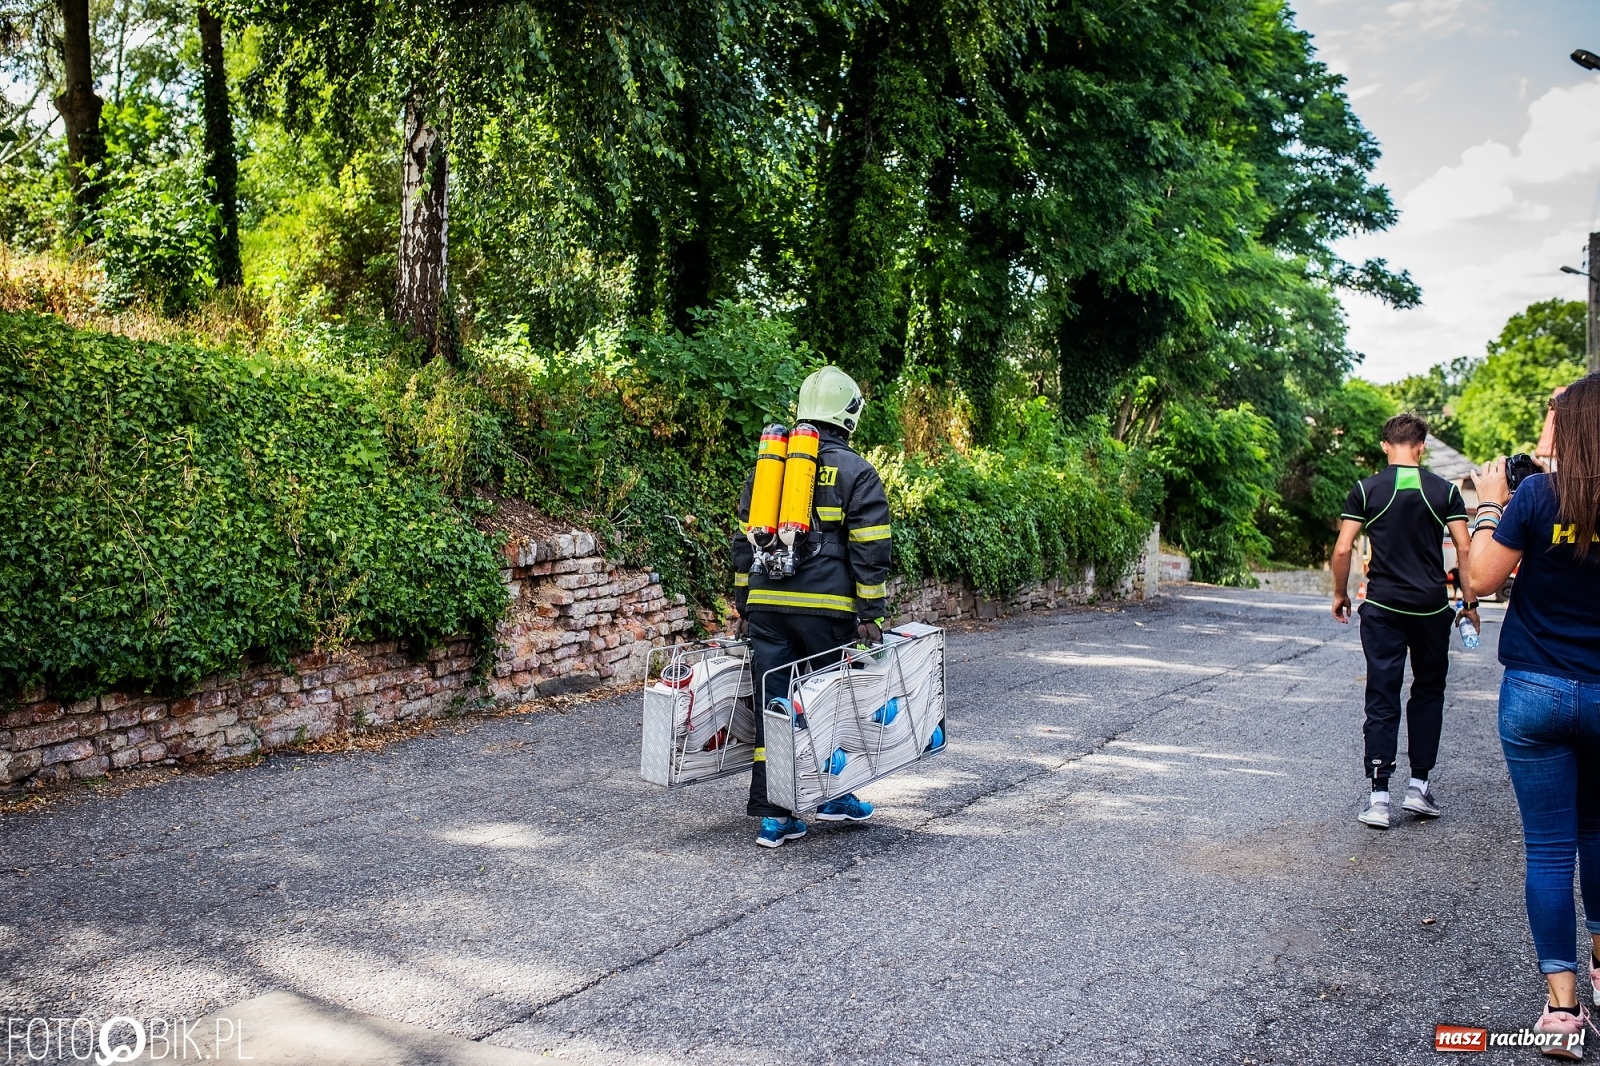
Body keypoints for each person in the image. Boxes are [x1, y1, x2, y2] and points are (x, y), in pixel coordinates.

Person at [1469, 374, 1600, 1053]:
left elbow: (1478, 581)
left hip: (1536, 694)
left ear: (1573, 427)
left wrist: (1491, 507)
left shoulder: (1536, 496)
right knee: (1599, 833)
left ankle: (1561, 1014)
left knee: (1550, 848)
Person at [730, 366, 893, 849]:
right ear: (848, 413)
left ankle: (775, 816)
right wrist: (870, 614)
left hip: (766, 607)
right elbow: (870, 545)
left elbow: (744, 545)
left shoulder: (769, 469)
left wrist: (746, 604)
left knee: (774, 707)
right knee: (825, 703)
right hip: (824, 608)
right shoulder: (856, 471)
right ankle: (830, 797)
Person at [1332, 412, 1477, 829]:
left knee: (1383, 692)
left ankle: (1378, 798)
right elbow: (1465, 550)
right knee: (1428, 692)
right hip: (1431, 609)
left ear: (1384, 446)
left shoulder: (1366, 489)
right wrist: (1469, 603)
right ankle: (1418, 787)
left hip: (1383, 608)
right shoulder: (1444, 491)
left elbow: (1343, 550)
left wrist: (1341, 594)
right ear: (1422, 447)